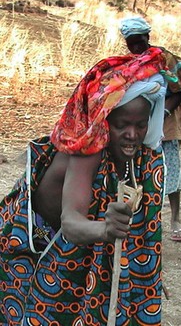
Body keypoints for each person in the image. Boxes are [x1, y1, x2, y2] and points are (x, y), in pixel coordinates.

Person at [0, 50, 167, 324]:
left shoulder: (141, 160)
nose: (133, 135)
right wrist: (105, 229)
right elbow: (72, 222)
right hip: (33, 248)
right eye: (122, 125)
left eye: (140, 125)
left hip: (73, 253)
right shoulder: (87, 152)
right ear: (104, 123)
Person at [120, 16, 181, 241]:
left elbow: (178, 90)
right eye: (131, 43)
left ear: (148, 38)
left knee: (170, 168)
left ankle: (175, 219)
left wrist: (163, 114)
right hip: (140, 121)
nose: (136, 47)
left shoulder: (164, 58)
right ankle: (145, 218)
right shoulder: (128, 61)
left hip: (166, 120)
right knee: (141, 169)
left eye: (140, 42)